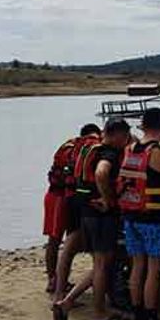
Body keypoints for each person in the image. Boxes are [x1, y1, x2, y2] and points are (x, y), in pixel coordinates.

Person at [52, 118, 131, 320]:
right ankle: (98, 312)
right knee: (103, 264)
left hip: (85, 211)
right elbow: (101, 173)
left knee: (100, 263)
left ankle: (66, 302)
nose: (125, 142)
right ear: (117, 135)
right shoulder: (108, 152)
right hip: (101, 215)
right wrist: (107, 199)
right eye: (124, 138)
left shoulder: (89, 148)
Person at [117, 109, 160, 320]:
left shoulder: (129, 149)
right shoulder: (159, 151)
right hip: (154, 220)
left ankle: (138, 317)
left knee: (137, 266)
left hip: (131, 216)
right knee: (154, 269)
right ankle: (151, 318)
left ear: (143, 126)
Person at [50, 124, 102, 301]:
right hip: (86, 203)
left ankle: (57, 288)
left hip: (66, 197)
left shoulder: (72, 146)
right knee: (101, 258)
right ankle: (93, 303)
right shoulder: (95, 147)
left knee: (64, 245)